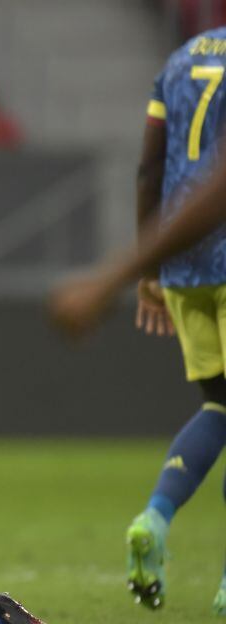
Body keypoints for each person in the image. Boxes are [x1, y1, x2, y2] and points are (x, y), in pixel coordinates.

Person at [51, 27, 226, 616]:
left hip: (185, 264)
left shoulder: (180, 60)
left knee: (219, 407)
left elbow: (150, 168)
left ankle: (156, 513)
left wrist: (147, 268)